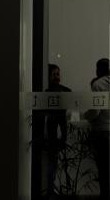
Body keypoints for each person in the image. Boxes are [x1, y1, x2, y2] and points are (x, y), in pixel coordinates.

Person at [86, 58, 110, 200]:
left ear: (98, 69)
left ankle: (105, 196)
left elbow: (95, 111)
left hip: (101, 131)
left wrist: (86, 116)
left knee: (103, 169)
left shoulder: (97, 85)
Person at [45, 64, 71, 198]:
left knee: (53, 163)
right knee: (51, 163)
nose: (57, 77)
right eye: (54, 74)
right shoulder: (46, 93)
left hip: (57, 133)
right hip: (50, 133)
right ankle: (50, 190)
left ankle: (51, 190)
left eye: (58, 74)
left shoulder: (65, 92)